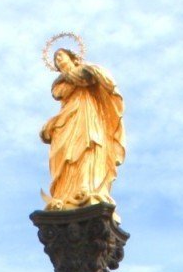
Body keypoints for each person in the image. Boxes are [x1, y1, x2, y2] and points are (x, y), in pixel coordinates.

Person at [40, 45, 125, 211]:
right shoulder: (59, 83)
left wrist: (70, 75)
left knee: (87, 147)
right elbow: (59, 93)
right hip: (68, 117)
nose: (58, 60)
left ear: (72, 57)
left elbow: (89, 78)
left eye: (61, 56)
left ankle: (87, 186)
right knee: (66, 153)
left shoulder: (88, 70)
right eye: (56, 59)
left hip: (86, 113)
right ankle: (65, 193)